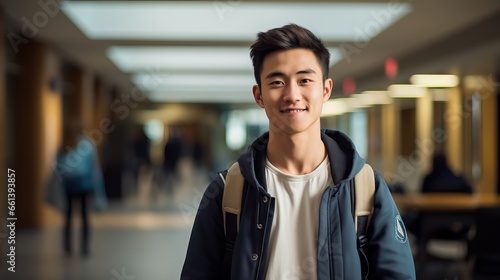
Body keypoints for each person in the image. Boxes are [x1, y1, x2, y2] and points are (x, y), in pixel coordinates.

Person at [181, 24, 415, 279]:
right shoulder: (228, 191)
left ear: (325, 89)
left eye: (304, 80)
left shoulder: (365, 187)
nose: (292, 95)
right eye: (277, 82)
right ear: (259, 95)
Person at [45, 120, 108, 256]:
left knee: (67, 217)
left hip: (69, 186)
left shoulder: (64, 144)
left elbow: (57, 168)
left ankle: (67, 246)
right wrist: (98, 190)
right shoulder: (87, 144)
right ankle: (84, 247)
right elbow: (94, 168)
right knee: (85, 217)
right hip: (84, 186)